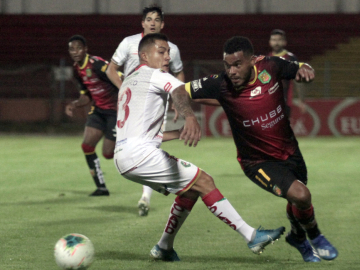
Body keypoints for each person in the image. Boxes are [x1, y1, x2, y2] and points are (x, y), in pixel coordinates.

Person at [114, 33, 285, 261]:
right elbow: (180, 91)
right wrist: (190, 117)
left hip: (125, 156)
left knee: (192, 188)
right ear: (143, 55)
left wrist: (176, 132)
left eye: (168, 51)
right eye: (161, 51)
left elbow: (142, 133)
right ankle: (252, 236)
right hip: (139, 156)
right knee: (204, 181)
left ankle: (164, 247)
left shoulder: (128, 81)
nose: (167, 56)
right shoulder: (154, 75)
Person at [184, 36, 338, 263]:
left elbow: (298, 67)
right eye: (228, 65)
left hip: (289, 150)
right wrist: (188, 116)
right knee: (301, 195)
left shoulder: (271, 66)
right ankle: (315, 236)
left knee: (298, 199)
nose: (232, 71)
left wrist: (306, 69)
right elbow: (180, 90)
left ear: (253, 60)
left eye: (237, 65)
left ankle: (297, 237)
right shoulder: (221, 83)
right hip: (257, 162)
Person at [106, 4, 184, 216]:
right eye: (148, 19)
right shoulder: (129, 43)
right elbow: (111, 69)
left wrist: (177, 101)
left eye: (156, 20)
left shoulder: (172, 49)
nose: (152, 23)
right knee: (112, 149)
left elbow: (178, 74)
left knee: (150, 146)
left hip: (155, 104)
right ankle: (158, 185)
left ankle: (145, 196)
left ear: (162, 24)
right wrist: (125, 89)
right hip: (130, 107)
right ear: (142, 23)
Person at [65, 35, 120, 196]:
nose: (75, 52)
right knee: (87, 146)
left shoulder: (97, 64)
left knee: (108, 154)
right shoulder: (77, 69)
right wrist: (74, 104)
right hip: (98, 111)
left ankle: (133, 149)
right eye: (72, 49)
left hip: (115, 112)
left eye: (78, 48)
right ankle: (101, 188)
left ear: (85, 49)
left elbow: (119, 77)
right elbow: (86, 95)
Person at [268, 29, 306, 117]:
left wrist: (301, 100)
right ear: (270, 42)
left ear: (284, 42)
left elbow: (298, 80)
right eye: (274, 40)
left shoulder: (290, 58)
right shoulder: (266, 59)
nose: (276, 43)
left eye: (279, 40)